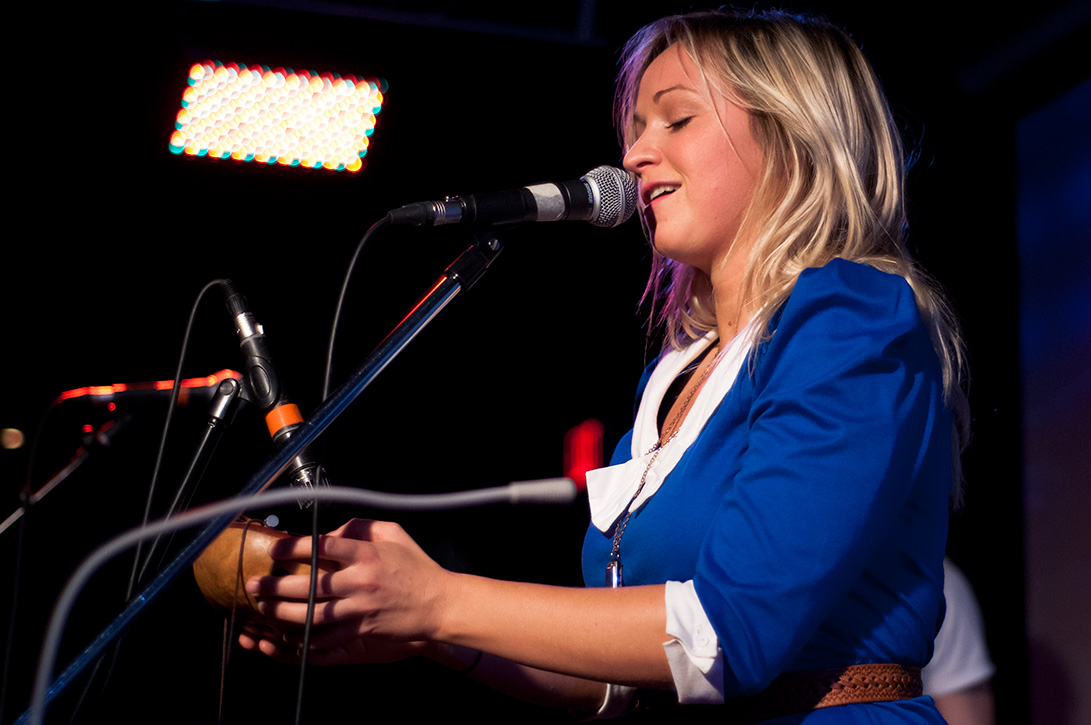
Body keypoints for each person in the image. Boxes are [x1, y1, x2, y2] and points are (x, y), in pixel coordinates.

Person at [239, 8, 969, 722]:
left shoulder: (849, 315)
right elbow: (626, 681)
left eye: (675, 119)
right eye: (634, 129)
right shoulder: (678, 374)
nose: (633, 156)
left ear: (791, 137)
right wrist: (425, 627)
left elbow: (725, 635)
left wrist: (438, 598)